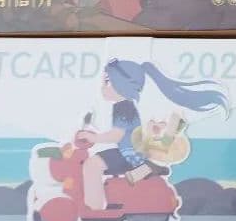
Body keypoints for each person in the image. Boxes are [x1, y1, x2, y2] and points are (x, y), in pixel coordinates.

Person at [79, 58, 228, 210]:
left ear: (122, 84)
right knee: (96, 163)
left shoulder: (123, 108)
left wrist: (93, 137)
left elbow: (116, 135)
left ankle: (94, 209)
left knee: (91, 165)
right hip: (131, 152)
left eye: (107, 82)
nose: (102, 87)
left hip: (131, 155)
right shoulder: (124, 106)